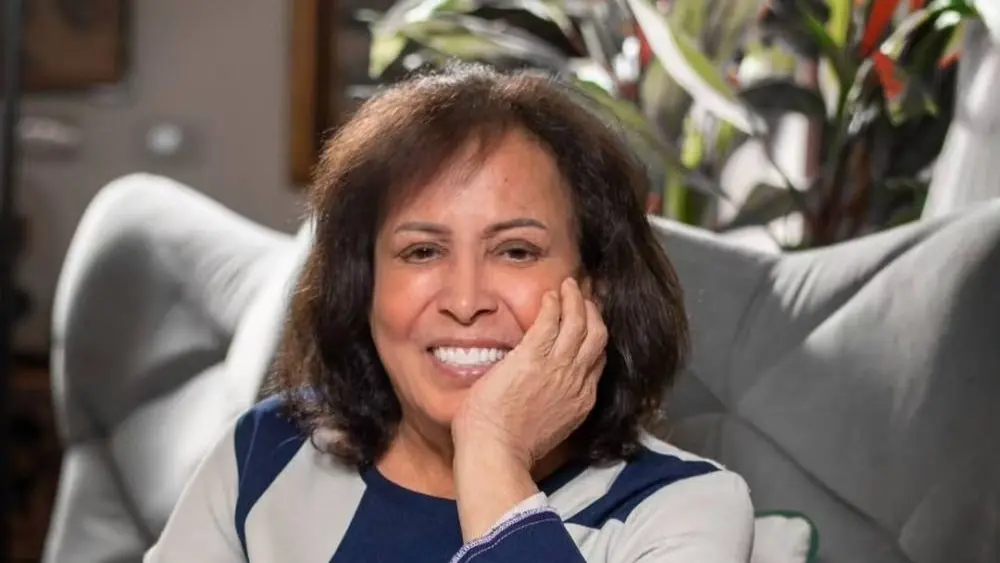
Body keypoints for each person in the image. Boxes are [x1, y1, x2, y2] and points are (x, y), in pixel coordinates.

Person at [145, 62, 754, 563]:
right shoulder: (267, 451)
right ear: (366, 284)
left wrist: (492, 456)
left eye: (516, 251)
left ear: (594, 287)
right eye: (422, 251)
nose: (465, 302)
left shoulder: (684, 510)